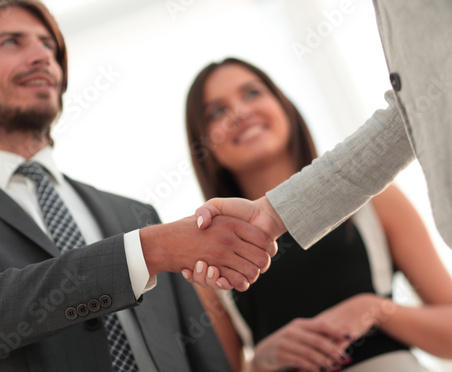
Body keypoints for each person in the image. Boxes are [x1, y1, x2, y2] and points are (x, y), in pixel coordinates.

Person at [0, 1, 277, 371]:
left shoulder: (136, 215)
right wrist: (147, 251)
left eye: (48, 46)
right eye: (12, 42)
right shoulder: (155, 239)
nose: (42, 56)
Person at [182, 58, 452, 371]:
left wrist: (375, 310)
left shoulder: (374, 200)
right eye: (217, 112)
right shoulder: (209, 256)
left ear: (284, 106)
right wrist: (260, 362)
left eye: (252, 94)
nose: (239, 113)